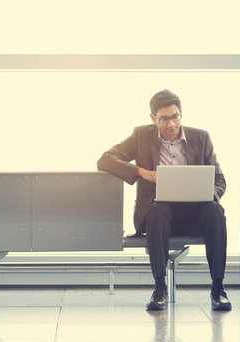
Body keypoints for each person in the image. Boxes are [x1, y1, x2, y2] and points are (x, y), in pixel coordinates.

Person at [97, 89, 231, 311]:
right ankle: (160, 288)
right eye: (165, 119)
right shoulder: (141, 136)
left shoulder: (201, 137)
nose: (171, 124)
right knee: (158, 211)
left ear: (181, 114)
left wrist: (208, 195)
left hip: (195, 212)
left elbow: (220, 180)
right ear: (153, 118)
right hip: (162, 215)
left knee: (215, 211)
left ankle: (218, 288)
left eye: (176, 117)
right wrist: (143, 172)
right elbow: (105, 159)